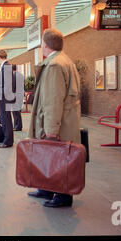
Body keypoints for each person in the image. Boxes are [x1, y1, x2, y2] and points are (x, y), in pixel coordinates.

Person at [27, 28, 81, 208]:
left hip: (58, 123)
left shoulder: (55, 65)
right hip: (65, 121)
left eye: (42, 44)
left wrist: (51, 130)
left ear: (45, 45)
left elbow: (53, 100)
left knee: (59, 158)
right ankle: (46, 188)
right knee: (52, 158)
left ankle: (64, 195)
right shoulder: (66, 61)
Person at [0, 50, 14, 148]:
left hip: (4, 97)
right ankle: (7, 139)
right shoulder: (4, 65)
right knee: (5, 118)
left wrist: (1, 94)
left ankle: (7, 141)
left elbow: (7, 84)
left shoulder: (6, 66)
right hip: (3, 96)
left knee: (5, 118)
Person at [10, 64, 24, 131]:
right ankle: (17, 125)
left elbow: (13, 86)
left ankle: (18, 126)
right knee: (18, 111)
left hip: (15, 95)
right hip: (21, 95)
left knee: (16, 112)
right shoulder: (21, 75)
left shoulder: (14, 75)